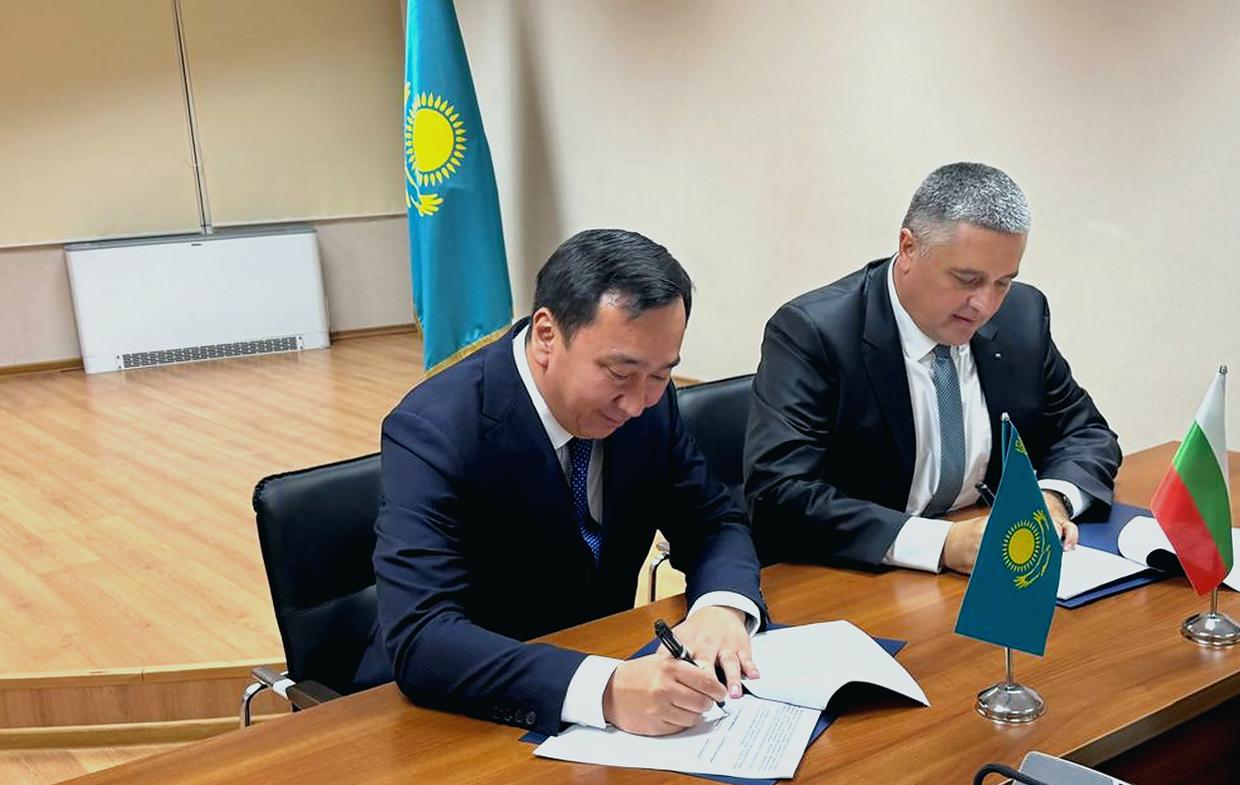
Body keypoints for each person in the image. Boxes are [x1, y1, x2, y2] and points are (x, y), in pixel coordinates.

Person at [355, 229, 766, 736]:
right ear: (547, 334)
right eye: (620, 373)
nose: (638, 403)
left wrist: (721, 606)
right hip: (450, 716)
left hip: (599, 681)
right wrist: (605, 690)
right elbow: (423, 638)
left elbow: (711, 521)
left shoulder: (649, 407)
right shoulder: (435, 430)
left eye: (661, 375)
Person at [744, 162, 1121, 574]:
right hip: (859, 574)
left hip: (989, 559)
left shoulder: (1021, 315)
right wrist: (942, 543)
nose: (985, 305)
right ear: (909, 248)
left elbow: (1085, 431)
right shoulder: (814, 333)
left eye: (1002, 282)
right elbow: (779, 495)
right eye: (966, 279)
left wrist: (1051, 499)